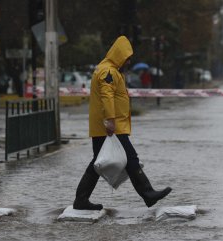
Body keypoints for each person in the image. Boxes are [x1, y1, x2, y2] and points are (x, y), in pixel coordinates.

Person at [73, 36, 172, 210]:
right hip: (111, 127)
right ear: (119, 55)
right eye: (127, 57)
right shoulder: (108, 71)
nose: (129, 60)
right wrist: (110, 120)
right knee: (131, 158)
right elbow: (107, 96)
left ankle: (81, 200)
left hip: (108, 126)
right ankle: (148, 194)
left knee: (98, 162)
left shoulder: (110, 70)